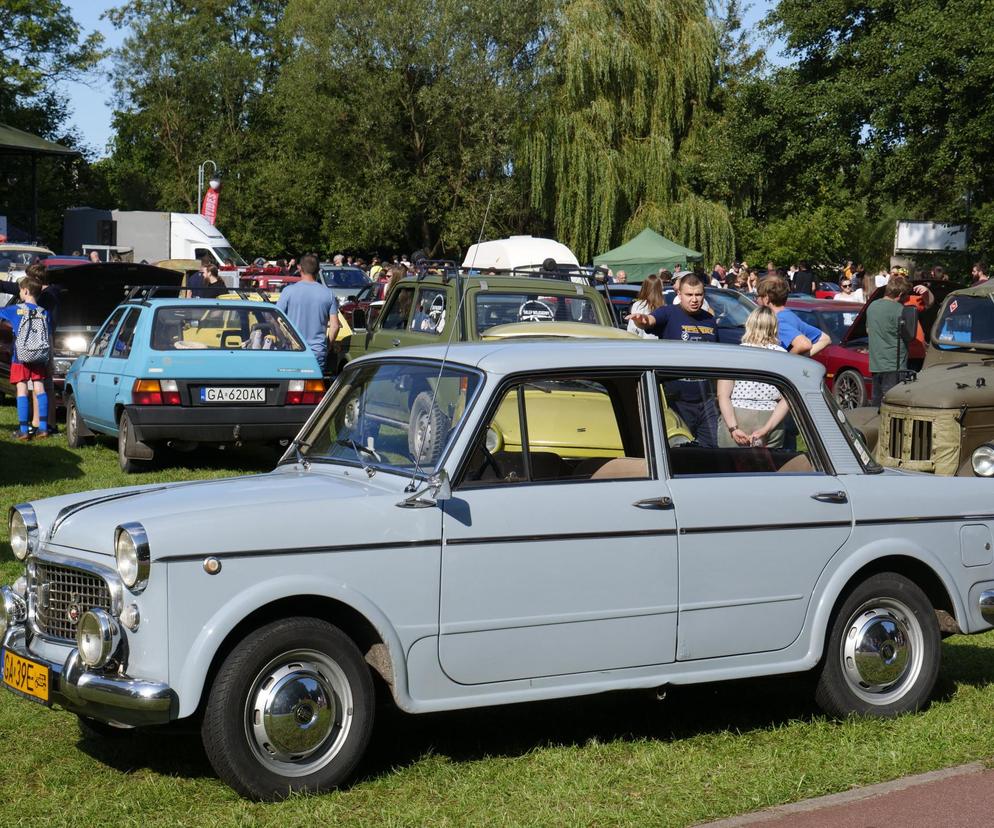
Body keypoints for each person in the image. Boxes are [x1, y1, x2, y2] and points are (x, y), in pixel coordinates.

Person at [627, 274, 719, 445]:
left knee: (712, 450)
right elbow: (651, 320)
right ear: (680, 295)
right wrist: (642, 321)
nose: (694, 299)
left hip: (706, 401)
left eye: (698, 295)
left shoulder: (710, 320)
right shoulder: (669, 313)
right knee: (680, 450)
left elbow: (717, 361)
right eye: (689, 295)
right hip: (677, 400)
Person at [717, 307, 790, 448]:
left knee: (730, 466)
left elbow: (723, 395)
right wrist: (767, 428)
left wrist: (733, 428)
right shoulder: (783, 356)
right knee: (768, 467)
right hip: (770, 415)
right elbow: (786, 399)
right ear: (774, 327)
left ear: (749, 324)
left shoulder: (736, 354)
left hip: (737, 413)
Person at [0, 275, 50, 439]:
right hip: (39, 355)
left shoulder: (17, 310)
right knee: (39, 387)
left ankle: (23, 430)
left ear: (26, 291)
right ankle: (42, 427)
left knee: (21, 389)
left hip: (20, 356)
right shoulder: (44, 312)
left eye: (20, 290)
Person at [276, 254, 339, 371]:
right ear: (318, 270)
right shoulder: (328, 294)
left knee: (290, 387)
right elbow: (335, 326)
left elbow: (275, 320)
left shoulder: (288, 291)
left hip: (292, 350)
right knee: (314, 387)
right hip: (316, 352)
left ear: (299, 268)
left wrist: (283, 340)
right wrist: (327, 346)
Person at [866, 275, 917, 404]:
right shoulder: (901, 310)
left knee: (877, 406)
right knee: (894, 406)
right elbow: (910, 336)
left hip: (876, 365)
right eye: (907, 295)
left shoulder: (872, 306)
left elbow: (868, 330)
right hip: (895, 366)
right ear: (900, 294)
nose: (908, 298)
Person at [756, 276, 830, 356]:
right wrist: (802, 358)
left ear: (766, 299)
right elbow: (825, 339)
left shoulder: (776, 321)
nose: (757, 300)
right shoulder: (791, 316)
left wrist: (787, 362)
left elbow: (803, 344)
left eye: (758, 296)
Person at [627, 275, 664, 339]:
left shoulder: (638, 305)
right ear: (660, 289)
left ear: (644, 288)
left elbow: (632, 329)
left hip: (641, 344)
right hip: (660, 345)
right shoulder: (664, 307)